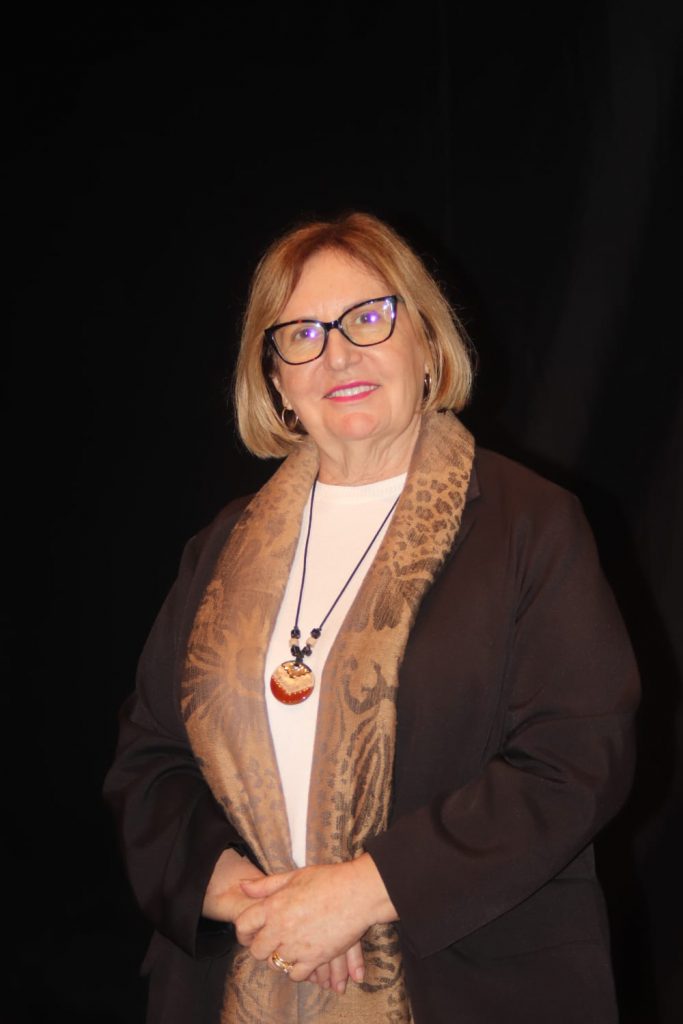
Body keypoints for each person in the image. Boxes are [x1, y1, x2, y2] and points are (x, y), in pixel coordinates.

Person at [104, 212, 639, 1024]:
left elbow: (574, 759)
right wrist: (239, 893)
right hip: (238, 977)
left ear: (425, 341)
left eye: (369, 318)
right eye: (302, 335)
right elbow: (148, 759)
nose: (338, 354)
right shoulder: (219, 547)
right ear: (276, 381)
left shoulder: (531, 523)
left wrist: (362, 892)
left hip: (469, 985)